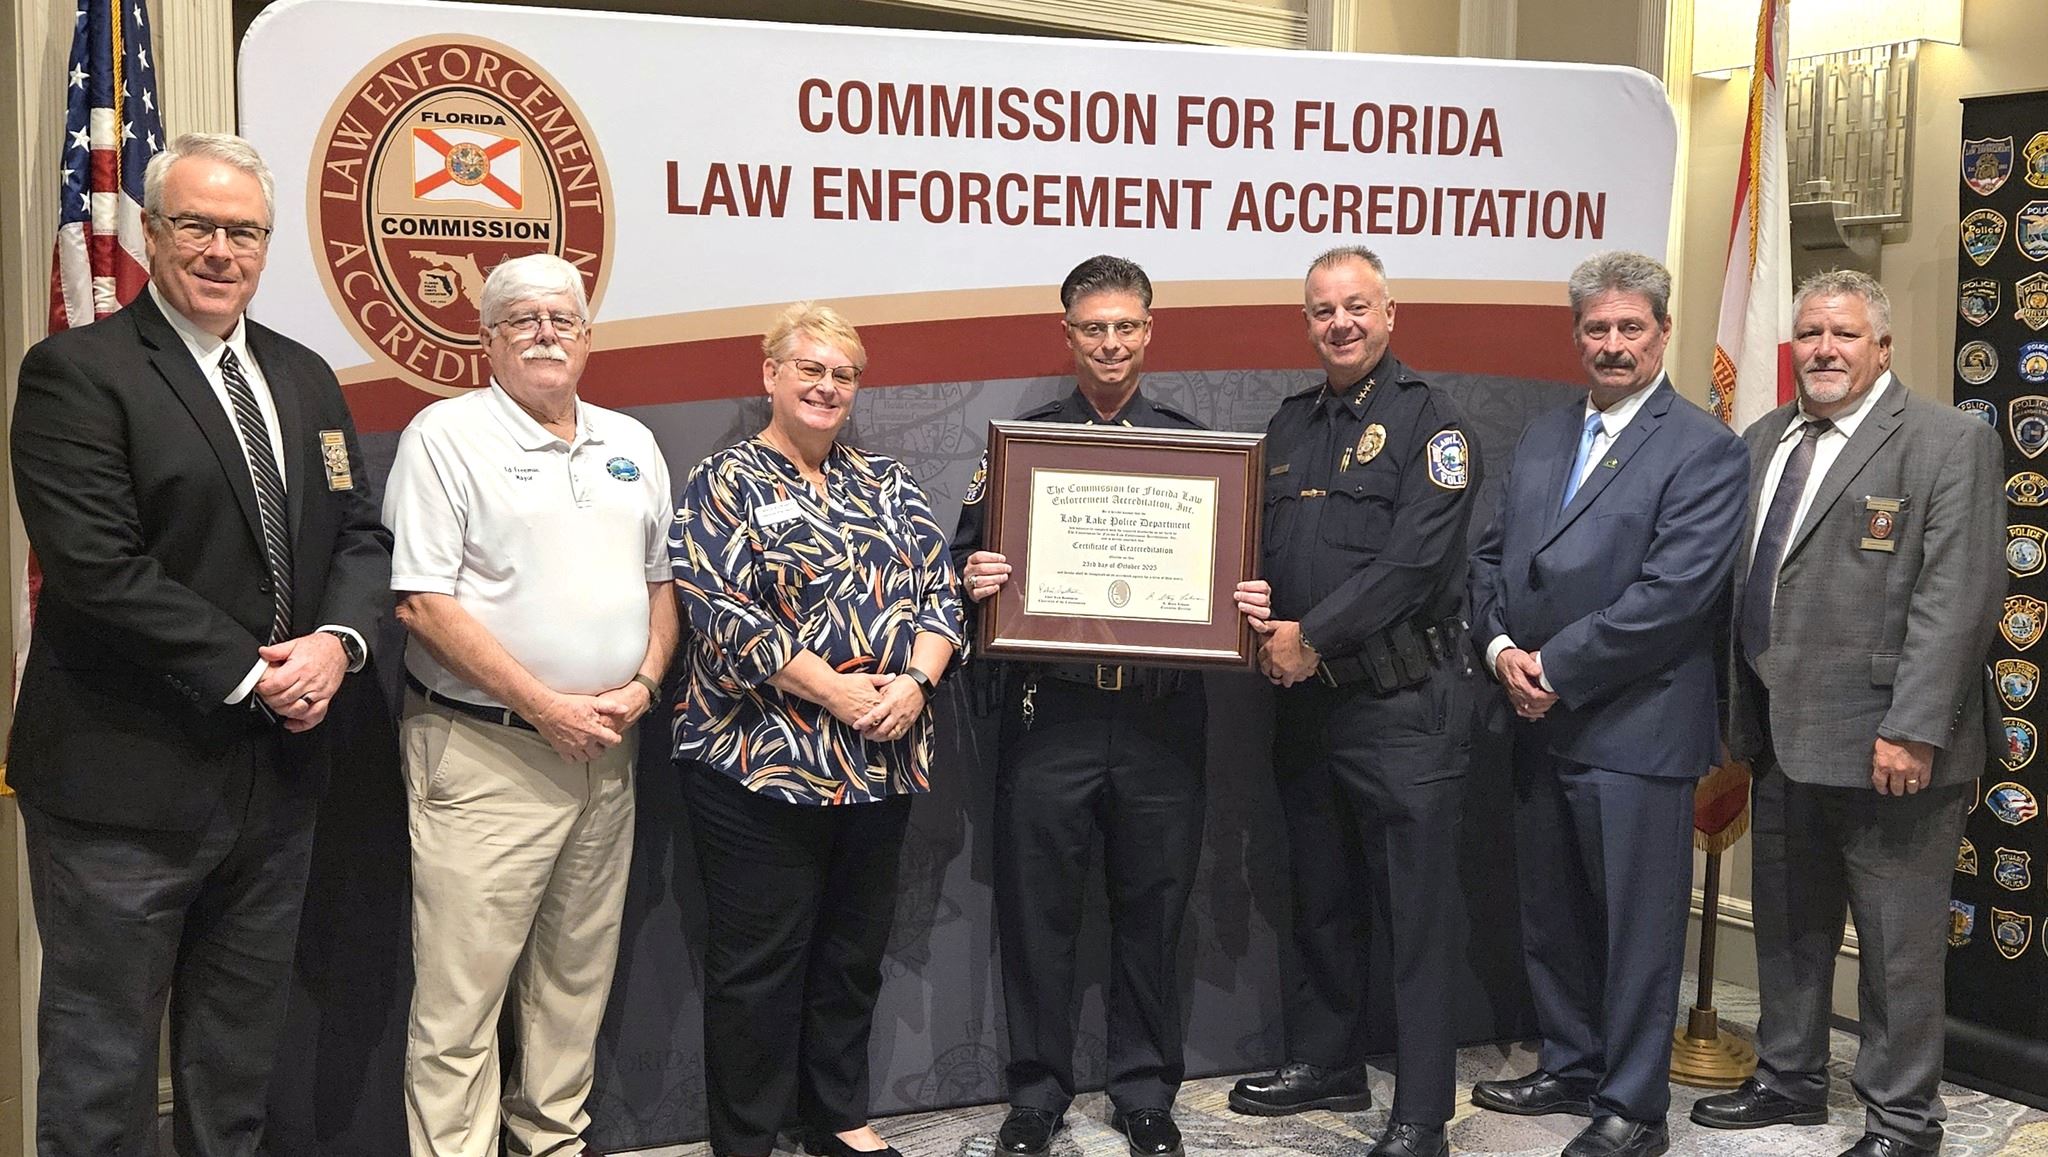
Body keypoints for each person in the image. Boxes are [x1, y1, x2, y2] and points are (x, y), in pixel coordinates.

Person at [7, 132, 391, 1156]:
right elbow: (97, 567)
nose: (222, 250)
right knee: (105, 1067)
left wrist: (338, 645)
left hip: (276, 784)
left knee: (236, 1058)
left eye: (244, 231)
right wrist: (253, 673)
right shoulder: (76, 373)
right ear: (150, 231)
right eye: (198, 226)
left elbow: (357, 532)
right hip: (123, 787)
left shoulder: (303, 375)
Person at [1690, 270, 2002, 1157]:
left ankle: (1903, 1121)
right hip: (1780, 736)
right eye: (1810, 335)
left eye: (1844, 334)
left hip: (1890, 745)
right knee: (1792, 928)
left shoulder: (1948, 441)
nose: (1823, 349)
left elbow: (1960, 598)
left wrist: (1912, 726)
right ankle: (1790, 1079)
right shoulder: (1762, 439)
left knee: (1898, 954)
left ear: (1883, 348)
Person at [382, 252, 677, 1157]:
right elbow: (422, 601)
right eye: (524, 320)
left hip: (607, 753)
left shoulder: (630, 441)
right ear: (487, 338)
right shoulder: (445, 436)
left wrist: (643, 684)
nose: (547, 334)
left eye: (563, 319)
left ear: (588, 338)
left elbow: (660, 585)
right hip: (486, 753)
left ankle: (552, 1142)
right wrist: (547, 703)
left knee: (572, 987)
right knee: (459, 1003)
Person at [1465, 251, 1749, 1157]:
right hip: (1535, 716)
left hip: (1636, 726)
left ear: (1663, 332)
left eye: (1631, 327)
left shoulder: (1706, 448)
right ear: (1576, 335)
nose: (1613, 344)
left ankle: (1632, 1103)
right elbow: (1490, 559)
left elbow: (1673, 596)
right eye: (1597, 328)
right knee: (1551, 911)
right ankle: (1572, 1057)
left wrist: (1553, 667)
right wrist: (1504, 650)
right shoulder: (1546, 434)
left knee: (1636, 928)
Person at [670, 302, 963, 1157]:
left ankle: (837, 1114)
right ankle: (749, 1137)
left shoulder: (890, 481)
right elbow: (722, 614)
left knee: (850, 953)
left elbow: (941, 597)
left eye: (843, 375)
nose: (827, 387)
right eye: (811, 369)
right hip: (758, 762)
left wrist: (914, 683)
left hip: (881, 761)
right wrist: (836, 693)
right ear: (770, 375)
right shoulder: (724, 480)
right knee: (756, 969)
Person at [951, 255, 1206, 1157]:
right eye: (1092, 327)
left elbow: (1220, 582)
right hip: (1048, 714)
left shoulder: (1194, 448)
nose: (1110, 343)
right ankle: (1037, 1093)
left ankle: (1144, 1091)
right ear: (1067, 335)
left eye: (1126, 326)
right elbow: (964, 563)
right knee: (1037, 912)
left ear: (1149, 330)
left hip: (1159, 720)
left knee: (1154, 908)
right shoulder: (1023, 446)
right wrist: (974, 574)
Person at [1229, 245, 1477, 1157]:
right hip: (1305, 706)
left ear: (1389, 313)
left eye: (1356, 306)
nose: (1340, 323)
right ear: (1307, 322)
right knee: (1321, 894)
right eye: (1323, 310)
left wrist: (1308, 638)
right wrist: (1247, 607)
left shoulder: (1433, 426)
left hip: (1399, 703)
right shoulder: (1290, 425)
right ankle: (1327, 1059)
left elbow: (1412, 564)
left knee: (1414, 914)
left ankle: (1421, 1113)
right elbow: (1248, 538)